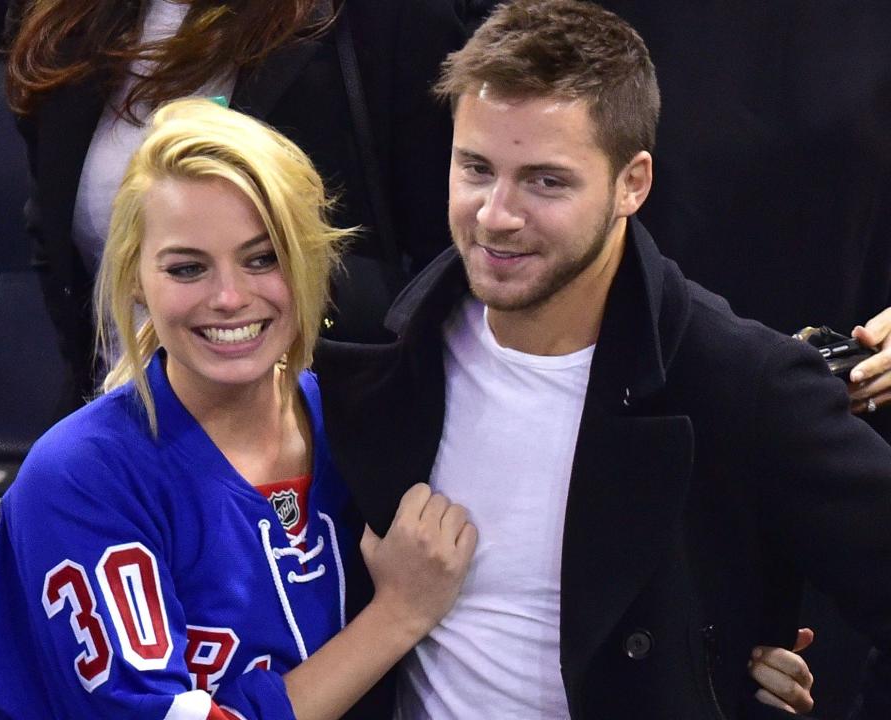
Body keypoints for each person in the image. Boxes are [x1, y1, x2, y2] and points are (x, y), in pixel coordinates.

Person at [313, 0, 891, 717]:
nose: (497, 213)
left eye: (546, 181)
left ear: (632, 183)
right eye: (475, 168)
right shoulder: (377, 358)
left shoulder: (739, 384)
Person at [0, 99, 477, 719]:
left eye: (263, 258)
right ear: (135, 278)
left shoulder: (360, 418)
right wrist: (398, 614)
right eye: (188, 268)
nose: (229, 297)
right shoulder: (77, 476)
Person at [3, 0, 493, 410]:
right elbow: (53, 234)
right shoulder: (59, 19)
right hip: (124, 437)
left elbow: (449, 261)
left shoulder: (386, 19)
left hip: (333, 448)